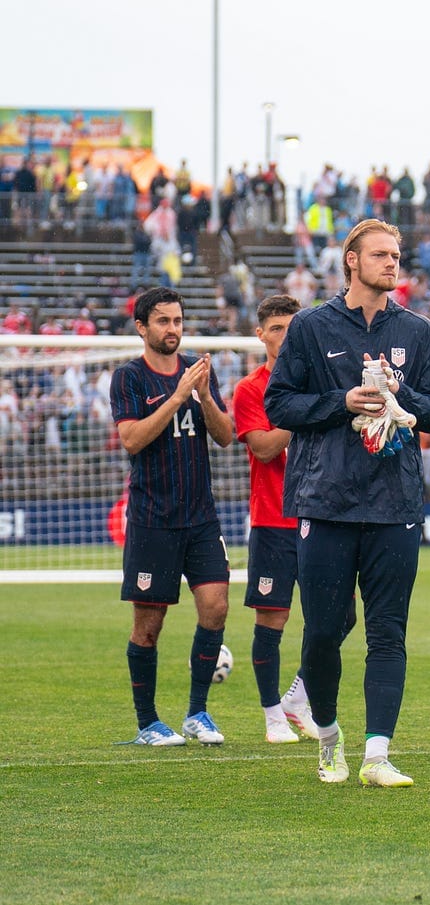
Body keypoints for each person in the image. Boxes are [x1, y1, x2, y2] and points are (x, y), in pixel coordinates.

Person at [266, 219, 430, 788]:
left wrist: (401, 394)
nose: (392, 263)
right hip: (326, 499)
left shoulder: (418, 331)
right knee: (323, 632)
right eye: (380, 255)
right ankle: (328, 737)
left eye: (396, 255)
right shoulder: (310, 326)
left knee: (388, 632)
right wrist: (342, 401)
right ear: (351, 260)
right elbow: (279, 404)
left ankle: (377, 755)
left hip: (395, 502)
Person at [111, 286, 236, 748]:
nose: (172, 329)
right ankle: (148, 723)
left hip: (200, 517)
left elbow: (225, 435)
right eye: (163, 321)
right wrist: (177, 396)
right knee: (149, 625)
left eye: (178, 321)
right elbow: (132, 439)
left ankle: (197, 713)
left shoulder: (199, 372)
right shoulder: (129, 378)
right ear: (142, 327)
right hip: (152, 519)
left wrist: (202, 395)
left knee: (216, 606)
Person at [231, 293, 321, 743]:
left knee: (338, 617)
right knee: (272, 620)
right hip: (273, 519)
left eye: (292, 328)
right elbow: (264, 448)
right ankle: (272, 716)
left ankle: (296, 699)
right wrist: (306, 412)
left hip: (321, 516)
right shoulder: (251, 388)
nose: (285, 338)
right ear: (261, 335)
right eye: (276, 329)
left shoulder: (319, 381)